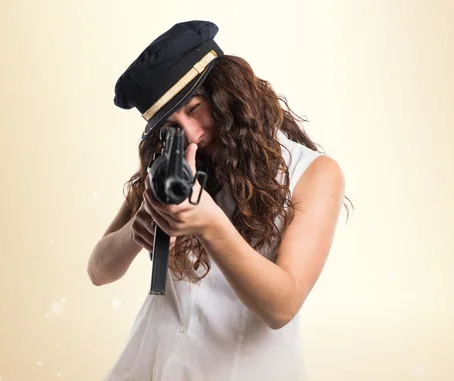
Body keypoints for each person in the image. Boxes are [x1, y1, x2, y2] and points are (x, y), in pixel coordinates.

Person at [87, 20, 351, 381]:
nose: (191, 133)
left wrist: (210, 224)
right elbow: (99, 272)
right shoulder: (167, 165)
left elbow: (282, 306)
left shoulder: (314, 173)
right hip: (149, 367)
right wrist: (138, 227)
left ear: (227, 94)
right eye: (172, 126)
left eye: (195, 108)